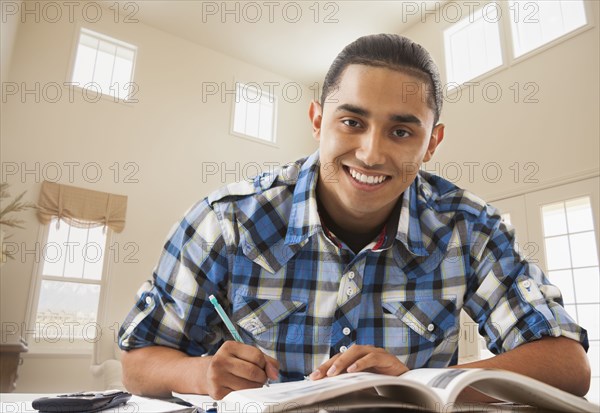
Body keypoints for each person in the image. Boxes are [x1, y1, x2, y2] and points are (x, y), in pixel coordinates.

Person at [118, 34, 590, 401]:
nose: (371, 153)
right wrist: (201, 374)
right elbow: (137, 363)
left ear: (432, 143)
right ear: (318, 120)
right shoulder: (226, 221)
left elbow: (567, 364)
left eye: (402, 131)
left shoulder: (470, 228)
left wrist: (420, 383)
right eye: (352, 122)